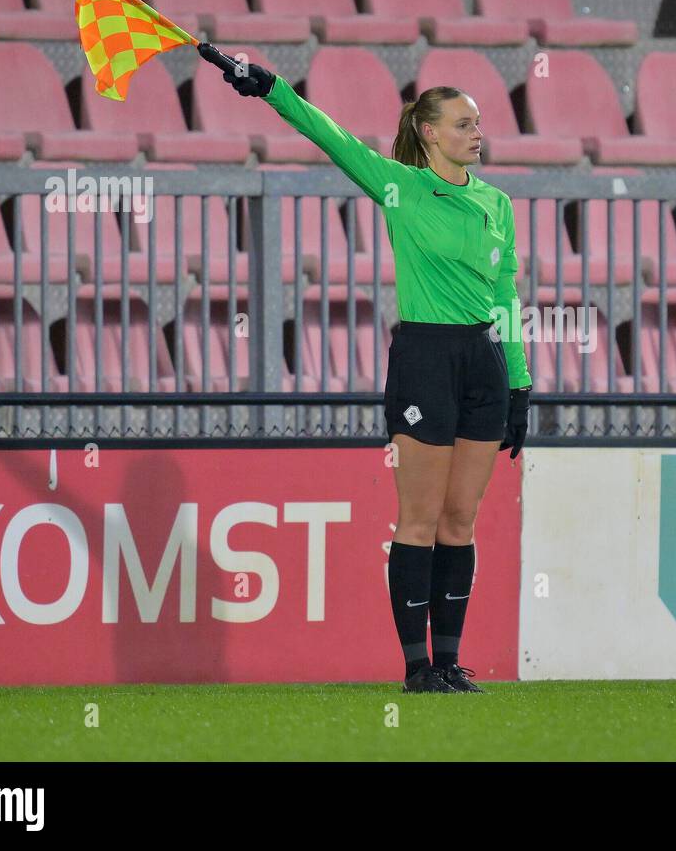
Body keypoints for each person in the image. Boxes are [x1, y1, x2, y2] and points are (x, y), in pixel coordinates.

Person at [220, 61, 532, 694]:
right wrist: (272, 87)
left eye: (478, 123)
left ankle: (448, 662)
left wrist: (520, 383)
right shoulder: (399, 186)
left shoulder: (495, 202)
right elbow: (330, 134)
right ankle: (416, 669)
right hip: (424, 356)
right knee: (418, 520)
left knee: (460, 522)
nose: (477, 132)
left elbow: (506, 297)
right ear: (428, 133)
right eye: (463, 123)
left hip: (485, 362)